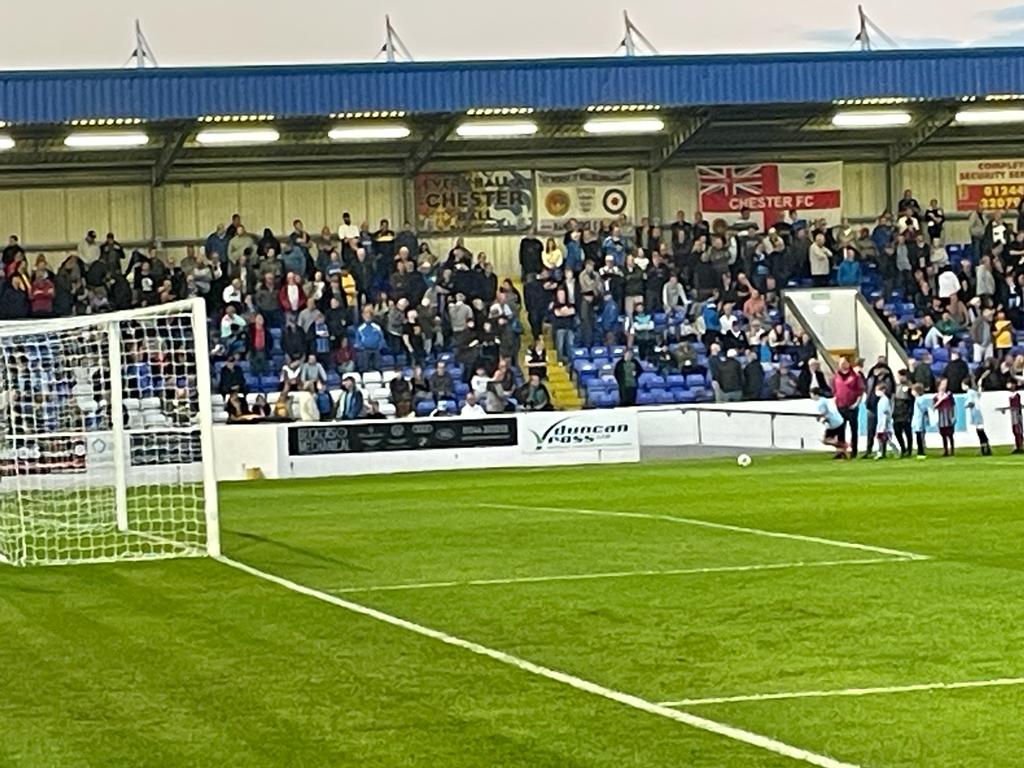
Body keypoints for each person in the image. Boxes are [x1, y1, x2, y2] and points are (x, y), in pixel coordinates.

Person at [833, 357, 865, 458]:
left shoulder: (855, 376)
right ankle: (841, 452)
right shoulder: (836, 376)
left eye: (844, 362)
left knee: (853, 430)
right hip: (840, 406)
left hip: (852, 407)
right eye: (840, 363)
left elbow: (860, 391)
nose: (842, 365)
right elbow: (834, 390)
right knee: (840, 430)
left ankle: (854, 451)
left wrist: (856, 404)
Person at [810, 387, 848, 459]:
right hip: (839, 420)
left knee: (825, 440)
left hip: (833, 423)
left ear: (815, 394)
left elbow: (825, 413)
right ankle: (841, 452)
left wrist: (820, 417)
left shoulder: (819, 403)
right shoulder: (824, 400)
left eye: (811, 394)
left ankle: (843, 446)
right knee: (832, 439)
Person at [963, 378, 992, 456]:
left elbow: (971, 403)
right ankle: (986, 447)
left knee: (979, 431)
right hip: (978, 412)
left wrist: (965, 405)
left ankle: (984, 448)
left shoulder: (970, 393)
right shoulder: (974, 392)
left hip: (975, 412)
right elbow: (979, 395)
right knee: (980, 431)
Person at [872, 383, 899, 460]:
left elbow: (885, 414)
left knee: (887, 440)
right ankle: (879, 453)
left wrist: (884, 425)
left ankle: (896, 451)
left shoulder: (885, 400)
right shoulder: (881, 400)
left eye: (878, 390)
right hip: (880, 424)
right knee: (880, 439)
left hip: (884, 425)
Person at [892, 369, 915, 458]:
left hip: (905, 411)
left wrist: (909, 413)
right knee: (897, 431)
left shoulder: (908, 387)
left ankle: (908, 450)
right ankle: (903, 448)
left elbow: (910, 401)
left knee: (907, 432)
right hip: (897, 411)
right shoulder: (897, 387)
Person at [933, 378, 956, 457]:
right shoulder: (936, 397)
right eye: (942, 384)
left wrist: (953, 416)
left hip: (948, 415)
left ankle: (952, 449)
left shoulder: (949, 395)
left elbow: (953, 406)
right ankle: (945, 450)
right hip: (941, 417)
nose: (944, 386)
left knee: (950, 434)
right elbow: (934, 406)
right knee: (943, 435)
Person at [910, 383, 931, 459]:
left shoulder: (921, 400)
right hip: (917, 420)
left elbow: (924, 410)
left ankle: (921, 452)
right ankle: (920, 451)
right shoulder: (917, 400)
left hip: (920, 421)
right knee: (918, 436)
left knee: (920, 437)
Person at [1009, 379, 1023, 454]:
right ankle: (1018, 445)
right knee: (1015, 430)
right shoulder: (1010, 395)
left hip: (1016, 414)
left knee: (1018, 430)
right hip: (1013, 414)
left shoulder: (1017, 395)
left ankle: (1019, 446)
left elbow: (1017, 406)